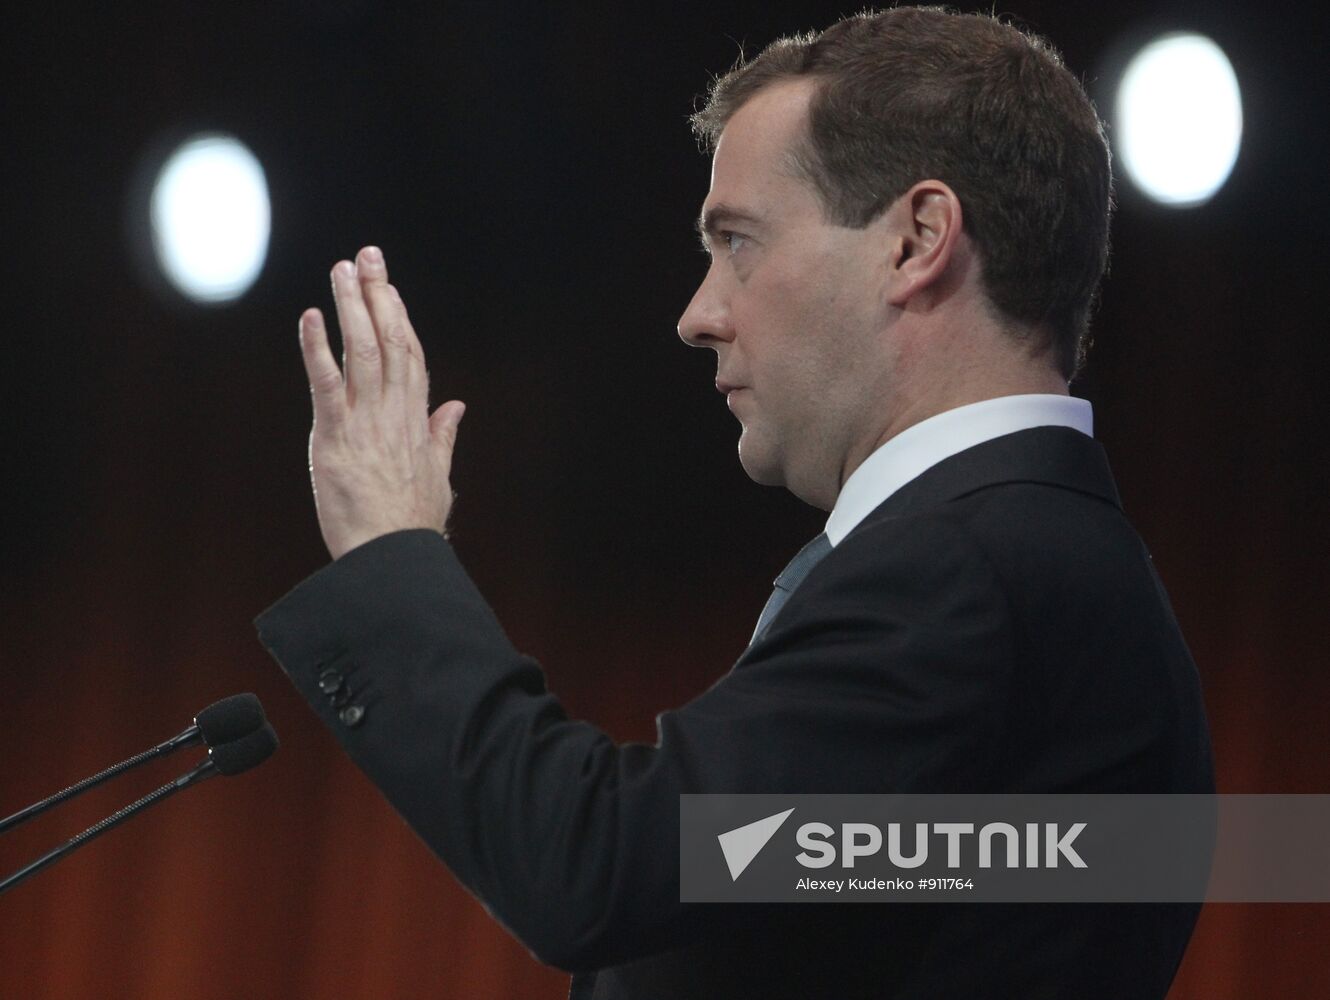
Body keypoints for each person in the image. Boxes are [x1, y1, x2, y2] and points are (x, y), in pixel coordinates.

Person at [257, 7, 1213, 998]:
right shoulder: (1048, 573)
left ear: (916, 240)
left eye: (740, 242)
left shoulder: (975, 573)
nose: (697, 313)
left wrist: (390, 551)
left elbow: (597, 866)